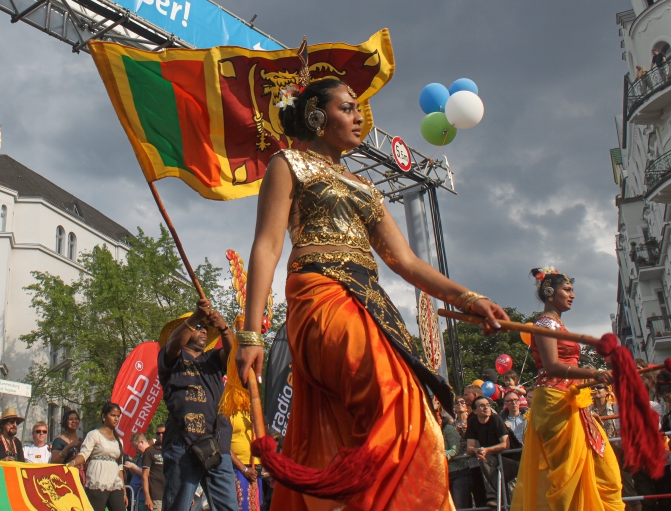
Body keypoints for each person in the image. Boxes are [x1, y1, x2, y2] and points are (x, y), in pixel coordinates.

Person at [235, 76, 508, 510]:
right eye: (347, 108)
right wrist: (250, 334)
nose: (359, 116)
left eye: (359, 108)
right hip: (319, 293)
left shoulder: (368, 188)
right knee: (392, 395)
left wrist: (467, 298)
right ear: (317, 117)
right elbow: (266, 246)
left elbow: (406, 262)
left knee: (416, 412)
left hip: (370, 302)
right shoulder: (289, 164)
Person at [510, 268, 623, 511]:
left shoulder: (557, 325)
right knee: (567, 476)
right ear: (550, 293)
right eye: (567, 290)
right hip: (555, 402)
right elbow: (552, 366)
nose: (572, 295)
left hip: (571, 402)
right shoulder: (545, 324)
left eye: (572, 290)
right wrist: (593, 373)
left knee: (604, 468)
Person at [157, 299, 238, 511]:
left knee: (228, 507)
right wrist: (196, 316)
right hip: (182, 444)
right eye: (198, 328)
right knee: (178, 506)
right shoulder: (172, 358)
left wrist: (225, 329)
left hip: (216, 446)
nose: (203, 331)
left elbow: (233, 356)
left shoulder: (212, 360)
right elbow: (174, 344)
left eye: (205, 328)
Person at [69, 402, 128, 511]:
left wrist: (124, 491)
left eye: (118, 416)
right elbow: (84, 454)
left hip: (115, 484)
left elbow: (120, 467)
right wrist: (72, 463)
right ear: (104, 416)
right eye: (113, 415)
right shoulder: (94, 435)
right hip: (97, 481)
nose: (116, 419)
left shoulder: (119, 440)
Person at [466, 396, 511, 507]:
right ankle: (493, 498)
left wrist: (486, 450)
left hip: (512, 459)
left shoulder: (496, 419)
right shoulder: (472, 422)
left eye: (488, 405)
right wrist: (477, 451)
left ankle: (493, 496)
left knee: (485, 458)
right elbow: (469, 448)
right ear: (475, 411)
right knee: (483, 458)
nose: (486, 408)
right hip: (493, 461)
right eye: (482, 405)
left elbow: (506, 444)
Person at [441, 399, 471, 509]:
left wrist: (438, 456)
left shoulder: (448, 429)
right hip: (444, 473)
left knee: (460, 506)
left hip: (459, 472)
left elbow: (454, 450)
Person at [230, 410, 262, 511]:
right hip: (239, 468)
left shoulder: (252, 410)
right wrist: (244, 469)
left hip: (256, 468)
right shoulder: (228, 412)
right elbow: (224, 444)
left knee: (257, 506)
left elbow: (267, 438)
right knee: (243, 507)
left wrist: (257, 423)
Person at [142, 425, 166, 511]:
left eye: (163, 433)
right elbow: (145, 475)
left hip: (171, 495)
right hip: (156, 497)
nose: (160, 435)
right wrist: (147, 497)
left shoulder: (173, 449)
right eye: (158, 433)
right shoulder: (150, 451)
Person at [127, 432, 150, 509]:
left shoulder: (150, 454)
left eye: (136, 446)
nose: (135, 449)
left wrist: (134, 467)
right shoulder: (141, 455)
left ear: (142, 442)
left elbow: (148, 474)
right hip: (137, 496)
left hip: (143, 496)